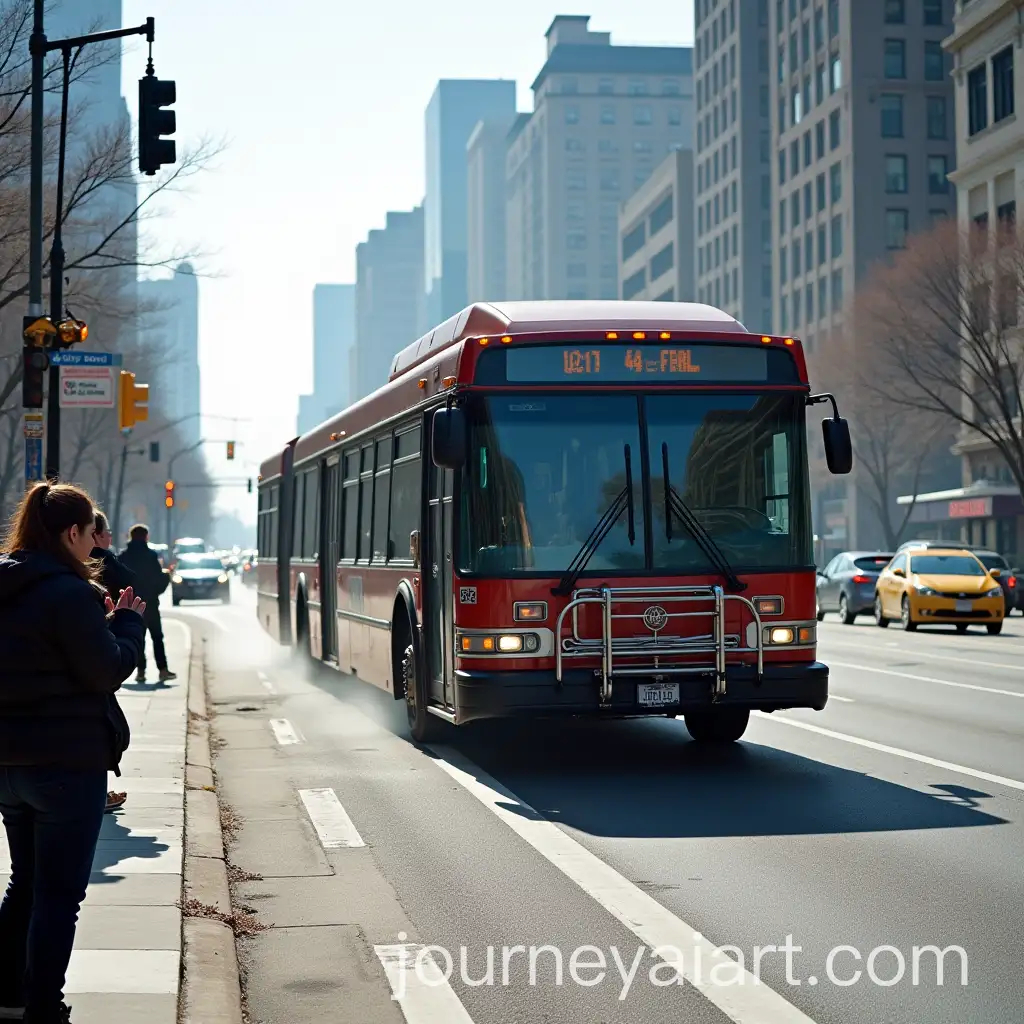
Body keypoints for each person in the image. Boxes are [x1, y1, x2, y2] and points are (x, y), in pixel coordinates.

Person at [0, 481, 146, 1024]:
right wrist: (127, 624)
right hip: (65, 764)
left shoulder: (9, 585)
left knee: (26, 881)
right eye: (90, 534)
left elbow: (43, 651)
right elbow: (105, 669)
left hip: (8, 764)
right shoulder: (70, 593)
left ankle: (9, 992)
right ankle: (43, 1007)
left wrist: (100, 627)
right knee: (59, 896)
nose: (95, 545)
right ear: (70, 533)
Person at [90, 511, 139, 814]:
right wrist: (126, 623)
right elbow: (110, 670)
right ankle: (98, 794)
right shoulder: (80, 586)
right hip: (61, 759)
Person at [118, 524, 175, 683]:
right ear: (146, 537)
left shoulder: (124, 556)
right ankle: (162, 670)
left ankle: (140, 671)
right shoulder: (151, 556)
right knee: (157, 637)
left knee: (138, 637)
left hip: (132, 604)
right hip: (150, 603)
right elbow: (158, 578)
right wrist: (162, 584)